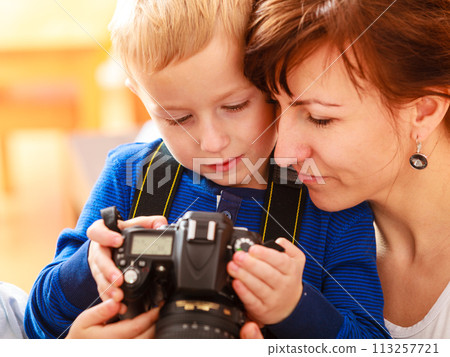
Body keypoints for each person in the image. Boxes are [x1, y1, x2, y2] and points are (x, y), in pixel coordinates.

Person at [25, 0, 389, 339]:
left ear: (272, 80)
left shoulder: (327, 200)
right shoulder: (128, 176)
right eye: (177, 118)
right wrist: (89, 269)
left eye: (234, 106)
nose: (211, 143)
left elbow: (371, 341)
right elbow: (37, 322)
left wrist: (294, 306)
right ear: (140, 94)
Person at [244, 0, 450, 339]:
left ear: (423, 112)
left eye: (320, 118)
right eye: (273, 105)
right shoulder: (303, 228)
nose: (281, 156)